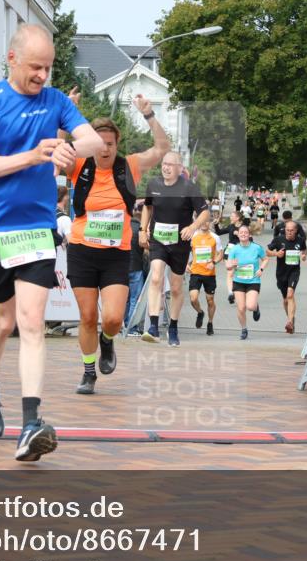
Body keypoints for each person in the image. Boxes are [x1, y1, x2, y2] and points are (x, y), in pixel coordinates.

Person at [0, 23, 102, 461]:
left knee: (31, 322)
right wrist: (33, 156)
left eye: (48, 67)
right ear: (12, 59)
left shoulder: (56, 101)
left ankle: (30, 424)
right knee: (2, 322)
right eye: (35, 67)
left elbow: (94, 140)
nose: (43, 75)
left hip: (37, 229)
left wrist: (68, 147)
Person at [66, 98, 170, 394]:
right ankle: (88, 372)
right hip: (82, 251)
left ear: (117, 143)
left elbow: (162, 148)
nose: (105, 149)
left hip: (115, 254)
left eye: (110, 144)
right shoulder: (79, 165)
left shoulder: (130, 166)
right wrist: (65, 117)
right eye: (99, 143)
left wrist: (149, 114)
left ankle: (108, 340)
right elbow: (54, 152)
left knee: (112, 318)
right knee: (88, 317)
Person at [139, 151, 209, 347]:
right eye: (164, 163)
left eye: (171, 164)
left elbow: (204, 212)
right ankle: (153, 326)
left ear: (180, 168)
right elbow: (147, 207)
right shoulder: (154, 185)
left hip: (180, 243)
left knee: (176, 287)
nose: (166, 167)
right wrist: (143, 230)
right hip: (158, 240)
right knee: (156, 277)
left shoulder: (189, 187)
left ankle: (173, 327)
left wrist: (192, 227)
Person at [226, 224, 267, 340]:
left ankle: (255, 307)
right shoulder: (234, 249)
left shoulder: (256, 248)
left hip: (253, 281)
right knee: (241, 308)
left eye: (245, 232)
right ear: (238, 235)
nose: (243, 234)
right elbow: (228, 266)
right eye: (241, 232)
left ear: (249, 235)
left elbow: (265, 259)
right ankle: (244, 329)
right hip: (238, 281)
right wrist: (231, 265)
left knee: (250, 306)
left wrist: (261, 269)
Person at [267, 220, 307, 334]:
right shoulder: (278, 240)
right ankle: (291, 318)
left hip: (294, 271)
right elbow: (266, 251)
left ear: (296, 231)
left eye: (291, 230)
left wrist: (304, 256)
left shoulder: (300, 240)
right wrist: (276, 254)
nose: (289, 232)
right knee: (286, 300)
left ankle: (289, 322)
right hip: (281, 273)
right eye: (287, 230)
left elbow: (304, 250)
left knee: (290, 295)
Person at [187, 219, 224, 335]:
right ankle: (200, 312)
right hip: (195, 272)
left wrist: (214, 262)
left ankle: (210, 323)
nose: (204, 224)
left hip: (209, 273)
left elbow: (220, 254)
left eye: (207, 221)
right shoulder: (192, 236)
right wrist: (185, 264)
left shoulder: (215, 237)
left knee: (210, 300)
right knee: (193, 299)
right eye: (202, 221)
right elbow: (185, 251)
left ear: (210, 223)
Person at [125, 200, 147, 337]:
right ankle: (131, 327)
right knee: (135, 299)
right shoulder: (141, 230)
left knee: (126, 299)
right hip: (136, 267)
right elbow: (146, 249)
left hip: (122, 268)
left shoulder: (125, 227)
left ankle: (124, 324)